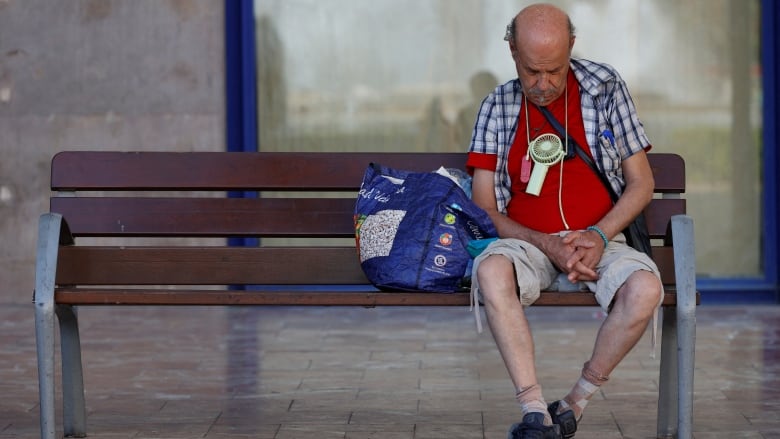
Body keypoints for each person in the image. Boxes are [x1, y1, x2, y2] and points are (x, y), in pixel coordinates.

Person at [466, 4, 663, 439]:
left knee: (646, 288)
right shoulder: (496, 106)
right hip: (525, 244)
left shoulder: (605, 89)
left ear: (571, 47)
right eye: (532, 71)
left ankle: (574, 402)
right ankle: (534, 408)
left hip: (601, 238)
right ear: (512, 52)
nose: (544, 84)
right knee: (491, 270)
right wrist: (547, 244)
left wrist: (598, 234)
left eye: (554, 70)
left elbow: (641, 184)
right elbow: (484, 208)